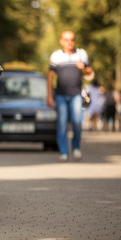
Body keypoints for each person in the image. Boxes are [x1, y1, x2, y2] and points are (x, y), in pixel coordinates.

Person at [47, 30, 94, 162]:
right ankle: (63, 151)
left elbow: (90, 72)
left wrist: (83, 67)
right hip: (61, 95)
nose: (69, 42)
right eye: (66, 39)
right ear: (61, 41)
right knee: (62, 124)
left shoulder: (81, 54)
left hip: (76, 95)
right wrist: (49, 96)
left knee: (77, 122)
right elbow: (50, 77)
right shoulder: (56, 56)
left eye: (72, 39)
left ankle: (76, 148)